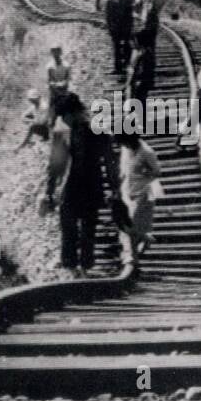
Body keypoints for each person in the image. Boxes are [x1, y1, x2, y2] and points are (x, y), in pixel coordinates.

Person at [47, 93, 120, 276]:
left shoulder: (94, 129)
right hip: (79, 184)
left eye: (65, 115)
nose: (63, 119)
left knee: (84, 226)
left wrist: (115, 187)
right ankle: (75, 267)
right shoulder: (64, 130)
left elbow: (109, 160)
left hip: (86, 184)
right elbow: (55, 163)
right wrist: (48, 190)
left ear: (74, 112)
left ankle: (82, 267)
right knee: (74, 225)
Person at [115, 130, 161, 261]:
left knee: (132, 224)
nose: (125, 146)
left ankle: (132, 257)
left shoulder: (147, 152)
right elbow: (123, 169)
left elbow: (157, 172)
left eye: (126, 143)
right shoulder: (125, 149)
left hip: (143, 192)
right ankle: (145, 238)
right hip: (127, 190)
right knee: (125, 224)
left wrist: (144, 172)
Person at [127, 28, 156, 109]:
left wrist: (131, 81)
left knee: (138, 101)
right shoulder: (146, 52)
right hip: (141, 81)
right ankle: (139, 118)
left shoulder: (141, 54)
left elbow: (140, 69)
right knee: (140, 101)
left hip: (139, 82)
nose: (132, 43)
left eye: (134, 41)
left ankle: (138, 119)